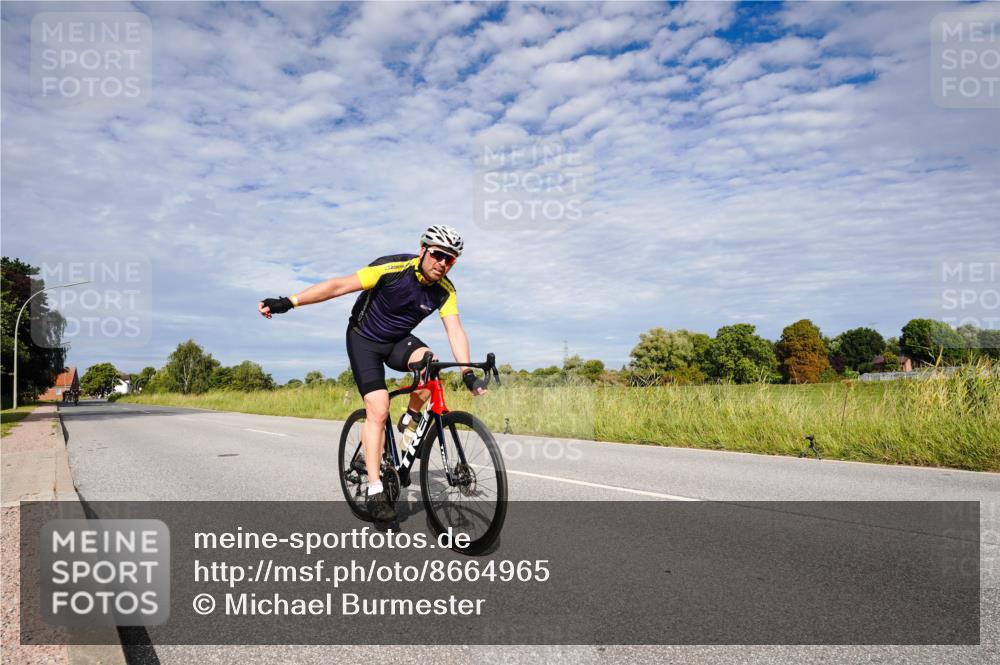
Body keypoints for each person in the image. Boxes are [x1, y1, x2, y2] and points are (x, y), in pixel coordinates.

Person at [258, 225, 487, 521]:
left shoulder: (445, 291)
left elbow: (455, 330)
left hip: (396, 341)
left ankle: (411, 418)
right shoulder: (392, 268)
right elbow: (338, 286)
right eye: (438, 255)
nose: (442, 263)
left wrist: (467, 372)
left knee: (431, 362)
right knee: (378, 408)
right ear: (423, 251)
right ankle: (375, 489)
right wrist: (290, 301)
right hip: (364, 339)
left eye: (450, 259)